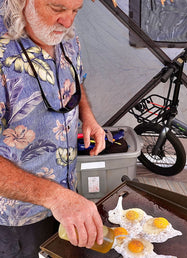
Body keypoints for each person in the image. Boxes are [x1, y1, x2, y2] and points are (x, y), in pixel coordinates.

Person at [0, 0, 107, 256]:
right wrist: (54, 196)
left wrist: (88, 116)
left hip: (66, 197)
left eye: (75, 11)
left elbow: (75, 80)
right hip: (18, 216)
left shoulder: (68, 38)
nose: (68, 22)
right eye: (57, 9)